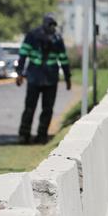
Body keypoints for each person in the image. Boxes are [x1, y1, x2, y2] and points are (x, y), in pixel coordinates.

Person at [16, 13, 71, 144]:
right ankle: (24, 134)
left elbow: (63, 59)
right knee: (30, 107)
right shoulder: (33, 36)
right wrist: (19, 73)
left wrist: (67, 77)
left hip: (48, 78)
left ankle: (41, 135)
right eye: (50, 24)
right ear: (44, 23)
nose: (52, 27)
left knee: (47, 109)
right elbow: (23, 54)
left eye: (53, 25)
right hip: (36, 77)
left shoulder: (57, 38)